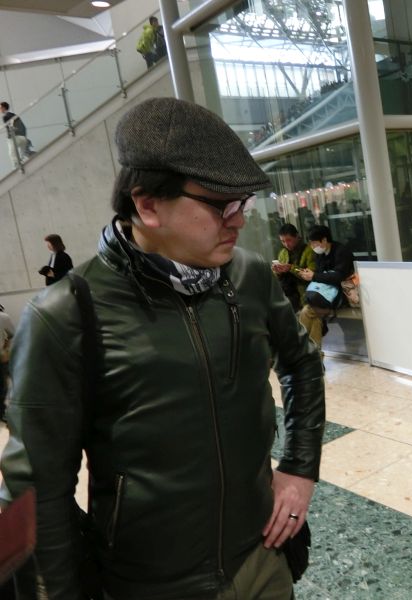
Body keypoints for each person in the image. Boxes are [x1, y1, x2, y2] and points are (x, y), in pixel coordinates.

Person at [0, 97, 325, 599]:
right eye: (221, 205)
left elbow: (302, 364)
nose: (238, 221)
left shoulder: (249, 276)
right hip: (151, 584)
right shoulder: (68, 312)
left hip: (262, 559)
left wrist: (300, 469)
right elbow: (36, 492)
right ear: (147, 204)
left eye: (242, 204)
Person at [296, 225, 354, 352]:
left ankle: (301, 349)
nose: (312, 247)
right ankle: (315, 354)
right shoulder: (320, 254)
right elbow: (321, 274)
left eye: (314, 243)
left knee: (307, 311)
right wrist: (309, 275)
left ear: (324, 240)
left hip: (342, 295)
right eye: (311, 243)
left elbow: (339, 276)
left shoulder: (341, 252)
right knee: (313, 315)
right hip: (325, 296)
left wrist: (314, 276)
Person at [272, 223, 316, 312]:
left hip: (304, 293)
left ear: (297, 237)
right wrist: (277, 271)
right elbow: (278, 277)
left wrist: (291, 268)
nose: (286, 244)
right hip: (286, 292)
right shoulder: (283, 253)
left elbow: (311, 274)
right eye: (283, 241)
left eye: (289, 240)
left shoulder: (309, 251)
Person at [0, 102, 33, 167]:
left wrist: (8, 136)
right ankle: (27, 156)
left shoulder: (5, 116)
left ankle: (17, 166)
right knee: (23, 153)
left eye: (0, 108)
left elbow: (9, 127)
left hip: (15, 137)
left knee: (12, 154)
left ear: (4, 108)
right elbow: (19, 125)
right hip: (22, 137)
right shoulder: (13, 114)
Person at [0, 303, 13, 422]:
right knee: (3, 386)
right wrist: (5, 349)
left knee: (3, 386)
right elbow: (11, 335)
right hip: (1, 356)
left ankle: (2, 411)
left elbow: (10, 335)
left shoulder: (3, 317)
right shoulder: (4, 317)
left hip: (1, 356)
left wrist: (5, 349)